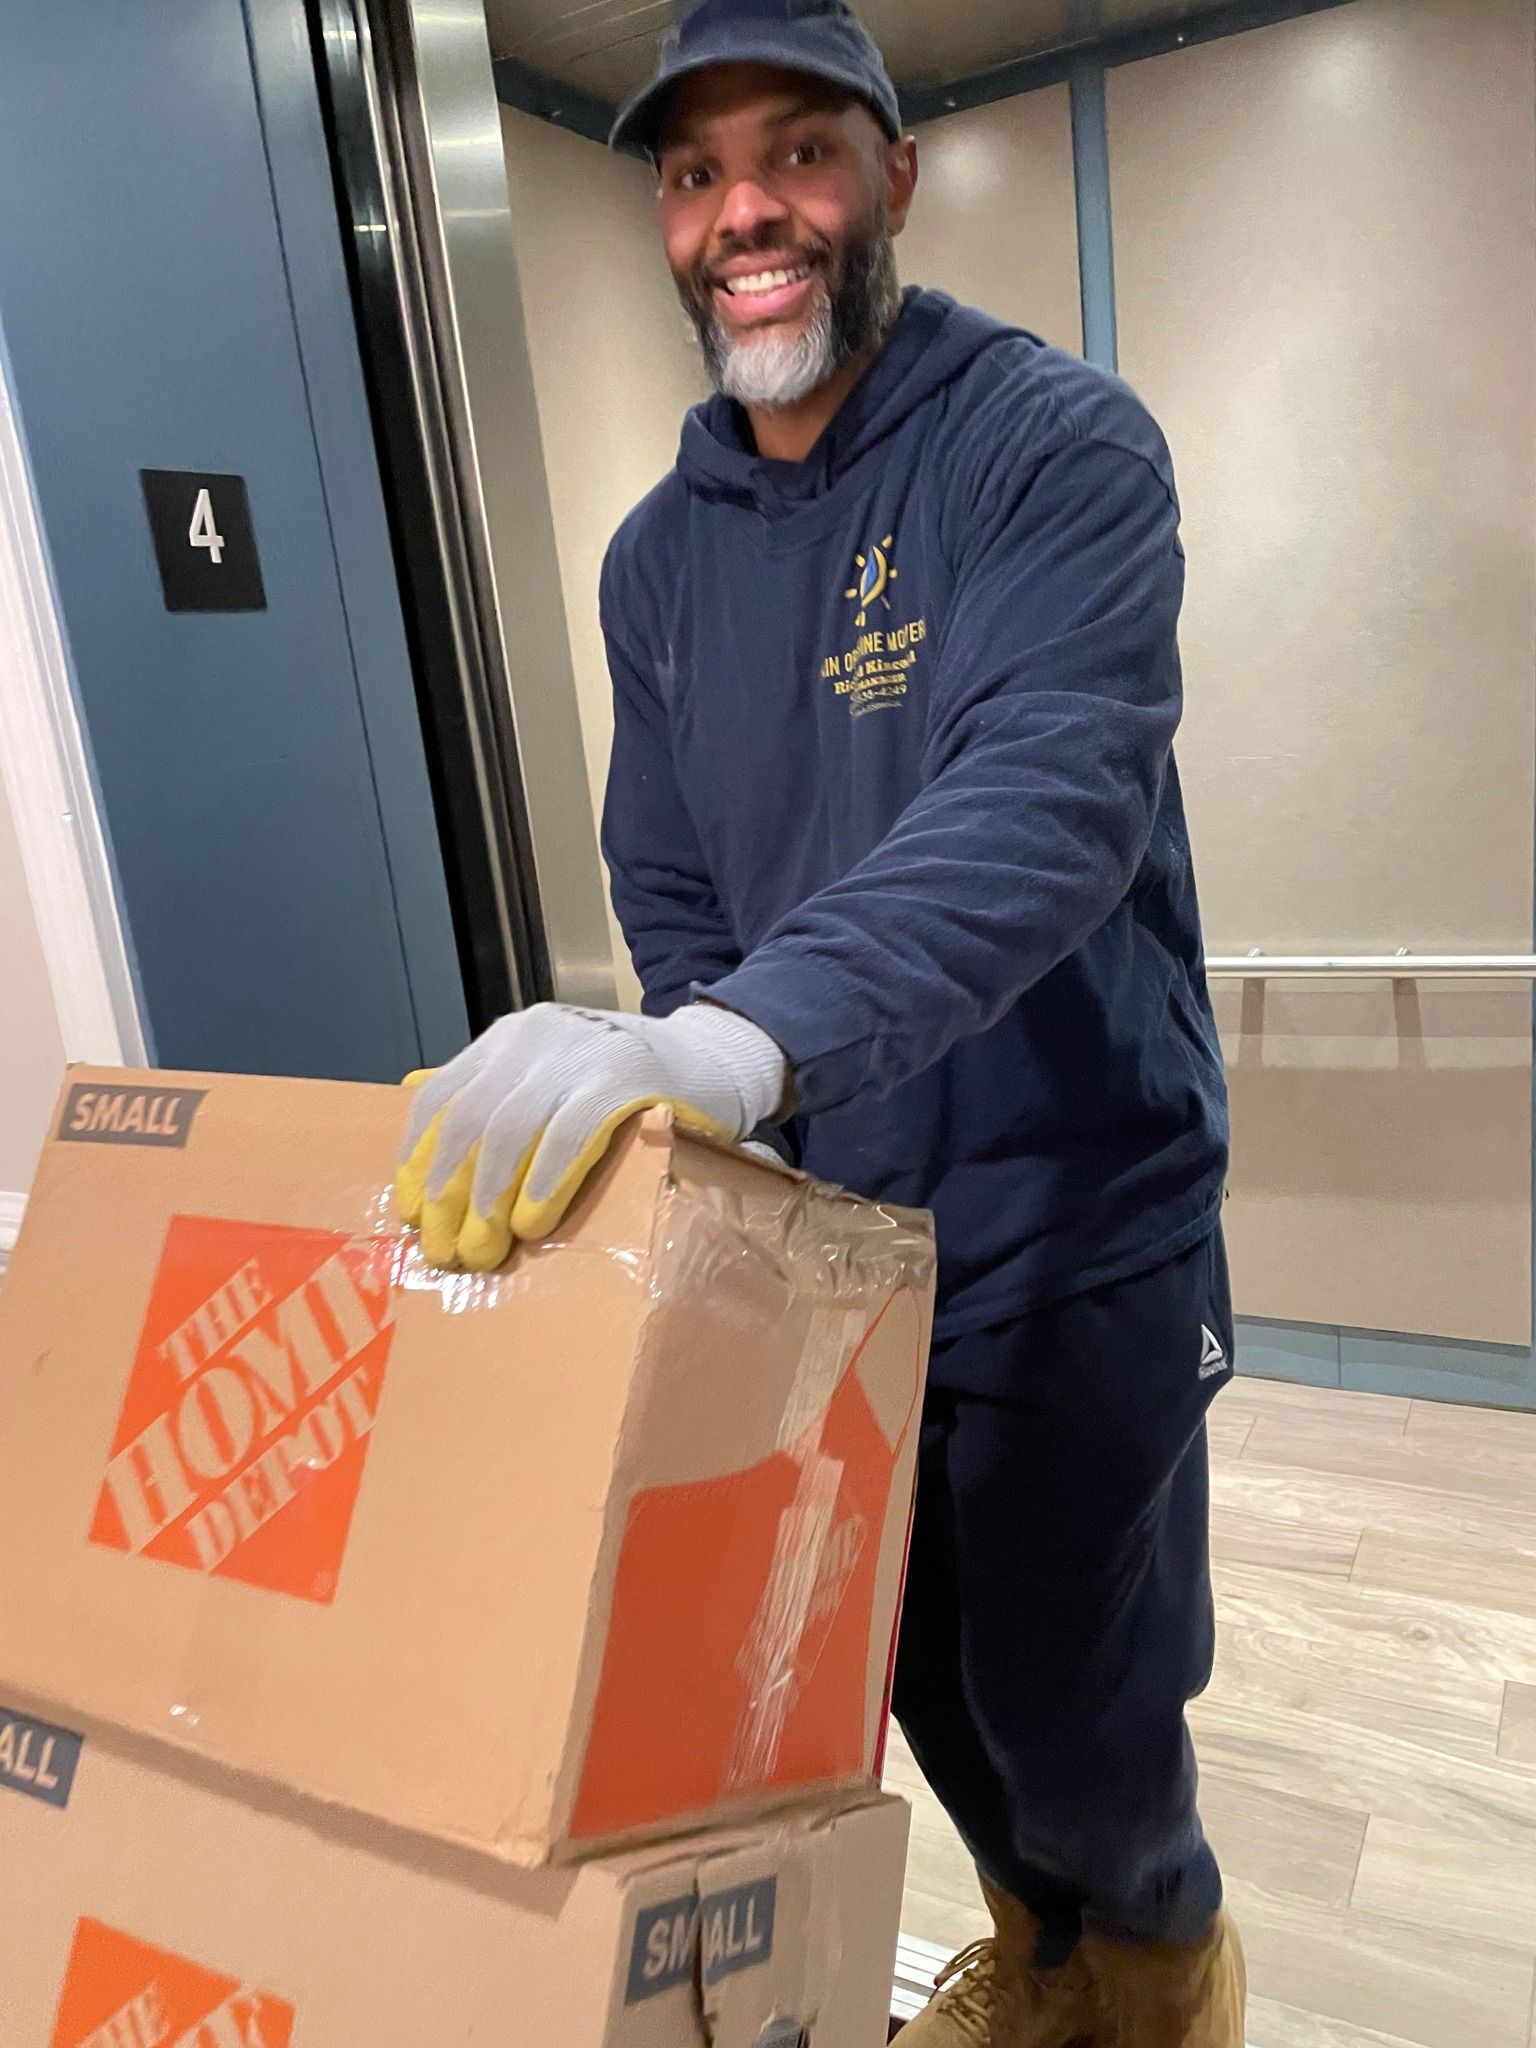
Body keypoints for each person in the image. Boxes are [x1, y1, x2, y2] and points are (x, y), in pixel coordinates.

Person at [398, 1, 1243, 2039]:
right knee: (907, 1668)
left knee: (1083, 1696)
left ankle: (1161, 1965)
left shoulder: (1050, 449)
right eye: (695, 173)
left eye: (795, 153)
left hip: (1070, 1233)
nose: (743, 213)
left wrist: (731, 1047)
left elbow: (1039, 809)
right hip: (834, 1253)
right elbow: (673, 871)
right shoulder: (656, 559)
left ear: (892, 177)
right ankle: (1036, 1963)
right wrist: (706, 1074)